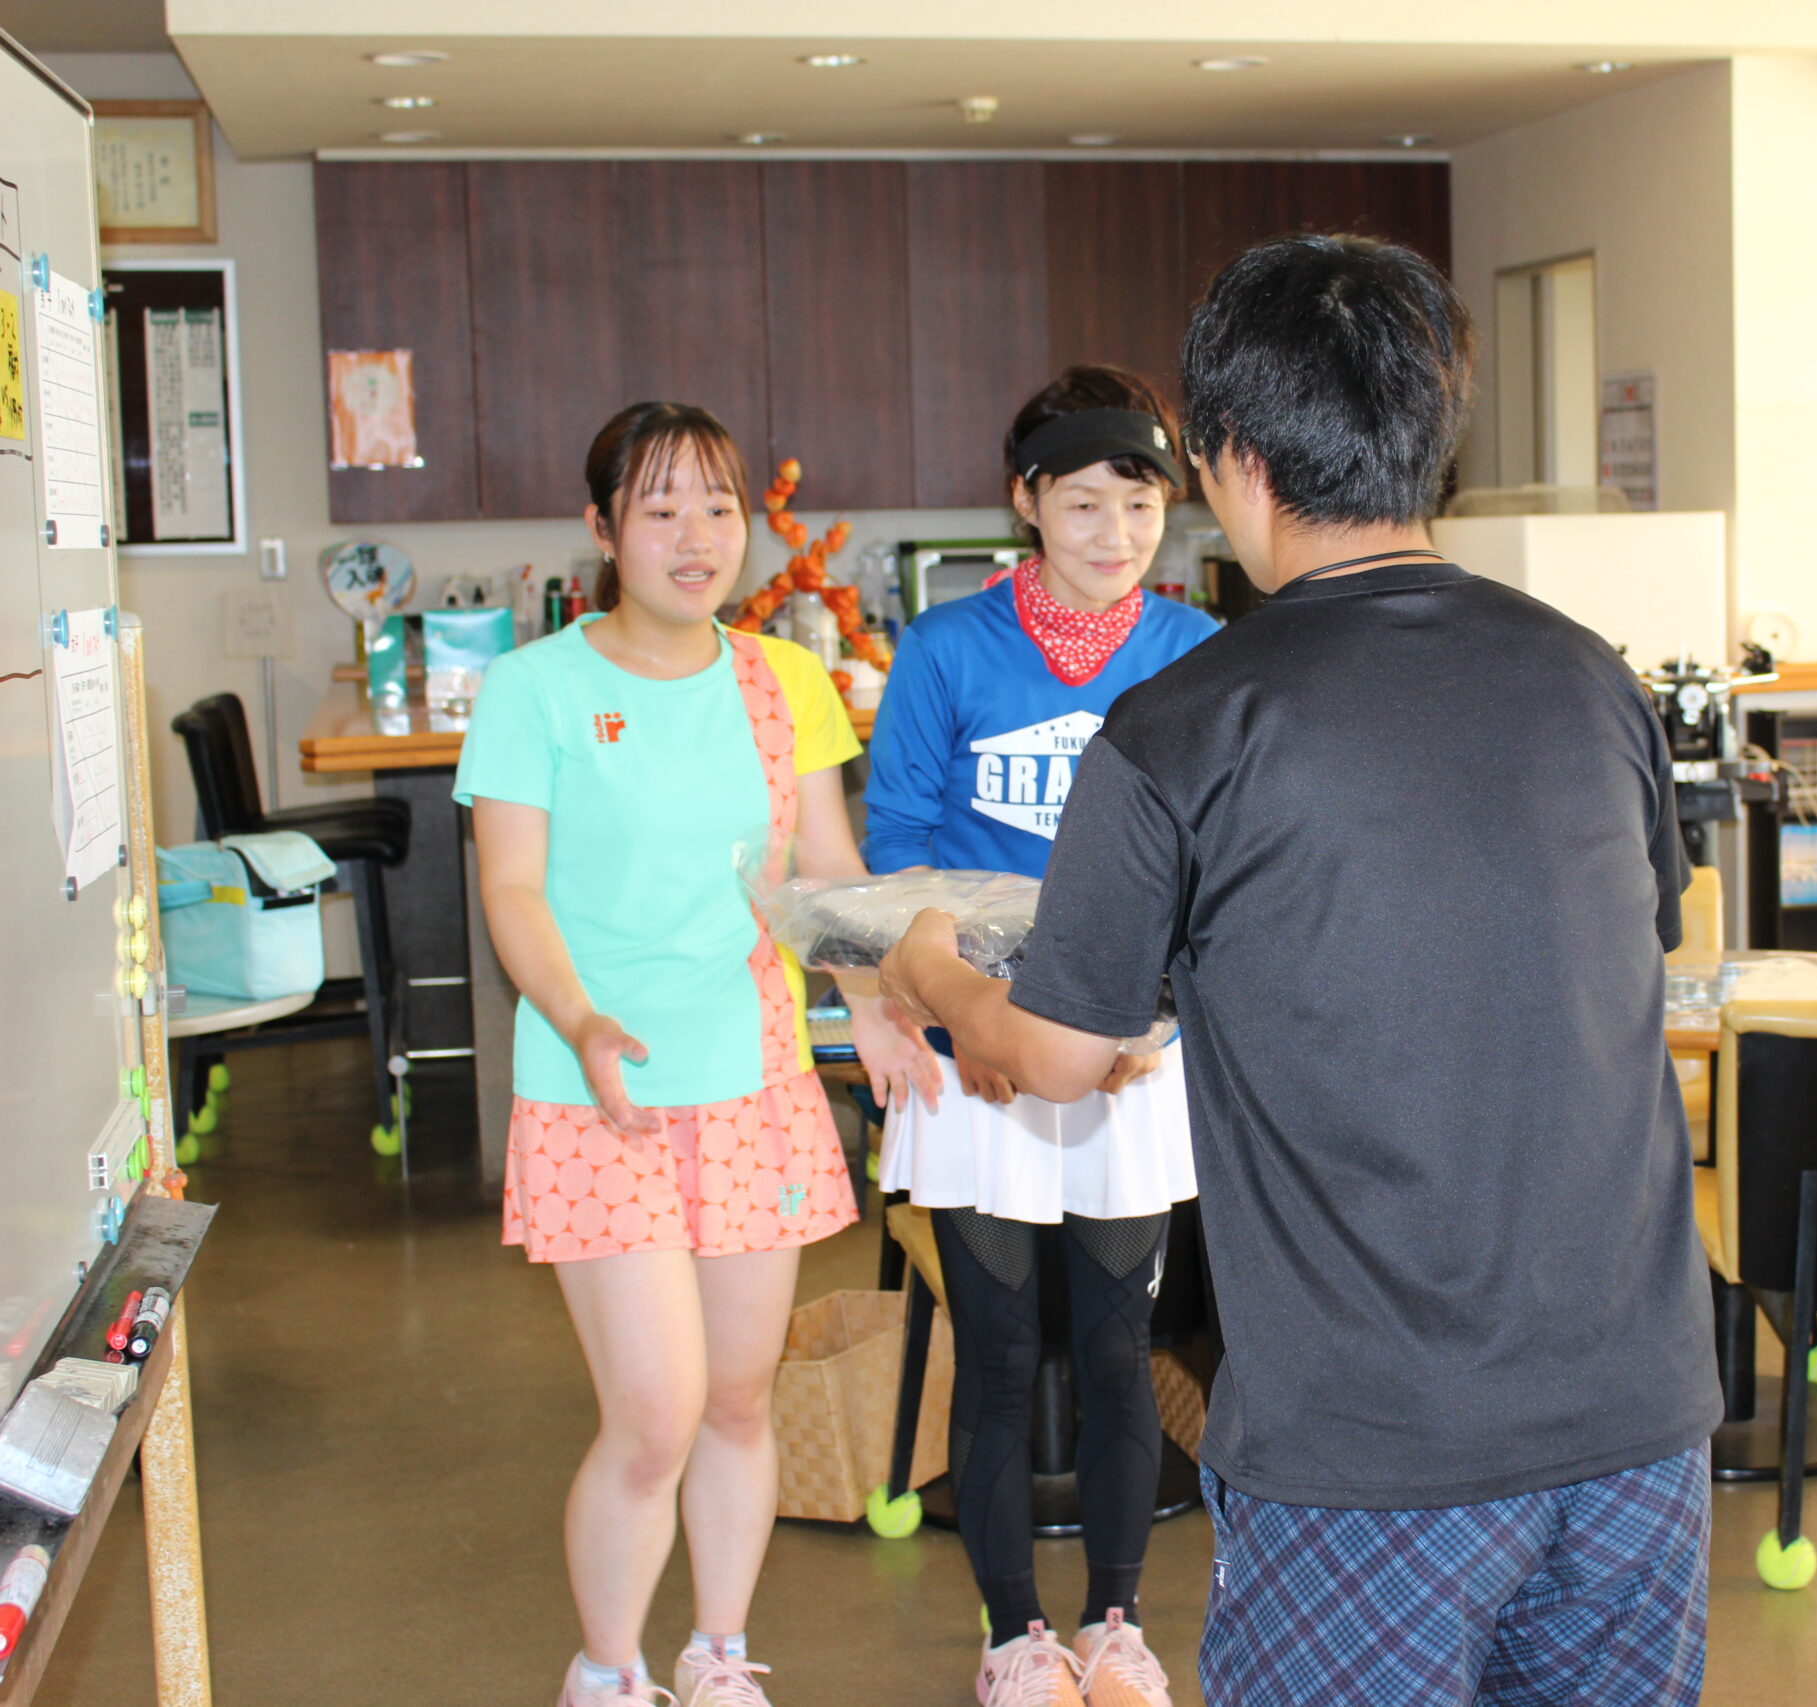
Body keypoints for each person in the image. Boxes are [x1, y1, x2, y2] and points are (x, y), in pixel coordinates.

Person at [879, 238, 1720, 1706]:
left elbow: (1056, 1058)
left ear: (1232, 461)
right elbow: (1629, 949)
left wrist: (929, 971)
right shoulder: (1593, 676)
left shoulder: (1186, 722)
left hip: (1370, 1454)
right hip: (1638, 1416)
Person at [457, 401, 936, 1707]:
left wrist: (872, 1004)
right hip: (599, 1095)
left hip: (755, 1087)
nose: (695, 536)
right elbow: (513, 889)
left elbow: (823, 872)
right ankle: (607, 1670)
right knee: (655, 1413)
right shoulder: (536, 689)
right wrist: (580, 1019)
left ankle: (718, 1653)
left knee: (735, 1401)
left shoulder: (783, 681)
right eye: (659, 509)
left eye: (718, 507)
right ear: (603, 530)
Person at [861, 365, 1218, 1707]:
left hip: (1135, 1057)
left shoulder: (1194, 650)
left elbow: (1221, 852)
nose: (1116, 533)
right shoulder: (946, 651)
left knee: (1123, 1349)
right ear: (1026, 501)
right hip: (977, 1056)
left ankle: (1117, 1626)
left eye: (1142, 503)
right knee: (1000, 1352)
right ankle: (1013, 1636)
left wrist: (1156, 1013)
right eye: (1084, 503)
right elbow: (898, 849)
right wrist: (962, 1007)